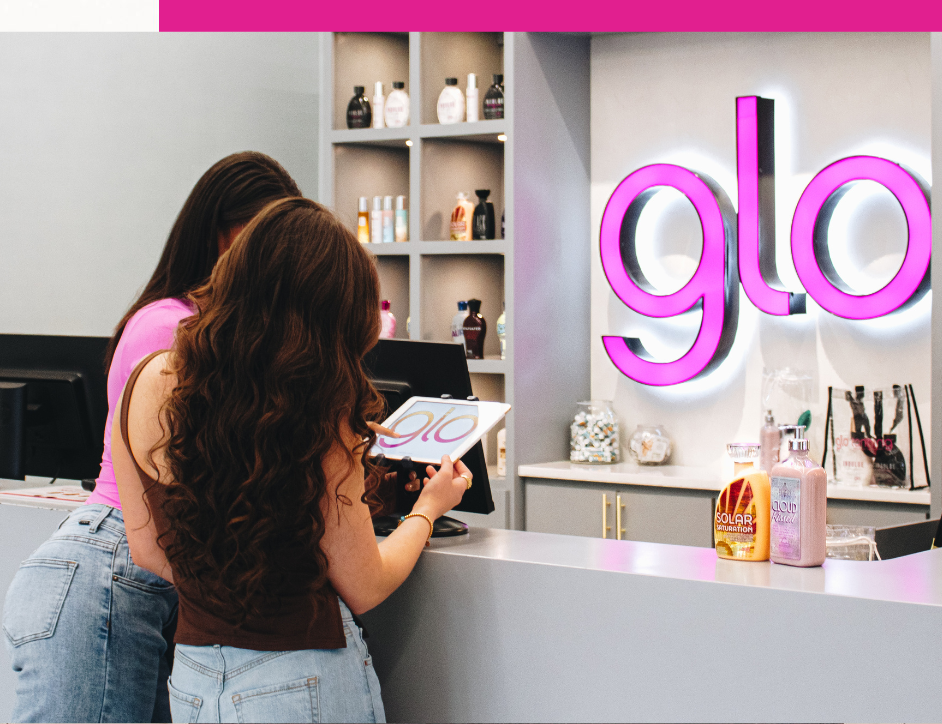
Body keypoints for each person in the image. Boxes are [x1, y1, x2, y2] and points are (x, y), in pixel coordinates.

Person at [113, 197, 471, 724]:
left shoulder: (145, 381)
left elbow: (146, 550)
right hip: (302, 681)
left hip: (193, 680)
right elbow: (366, 584)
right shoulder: (316, 408)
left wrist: (228, 572)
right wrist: (428, 509)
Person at [2, 152, 303, 723]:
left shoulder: (212, 327)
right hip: (109, 573)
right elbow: (194, 468)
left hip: (140, 584)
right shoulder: (172, 327)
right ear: (221, 233)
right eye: (260, 237)